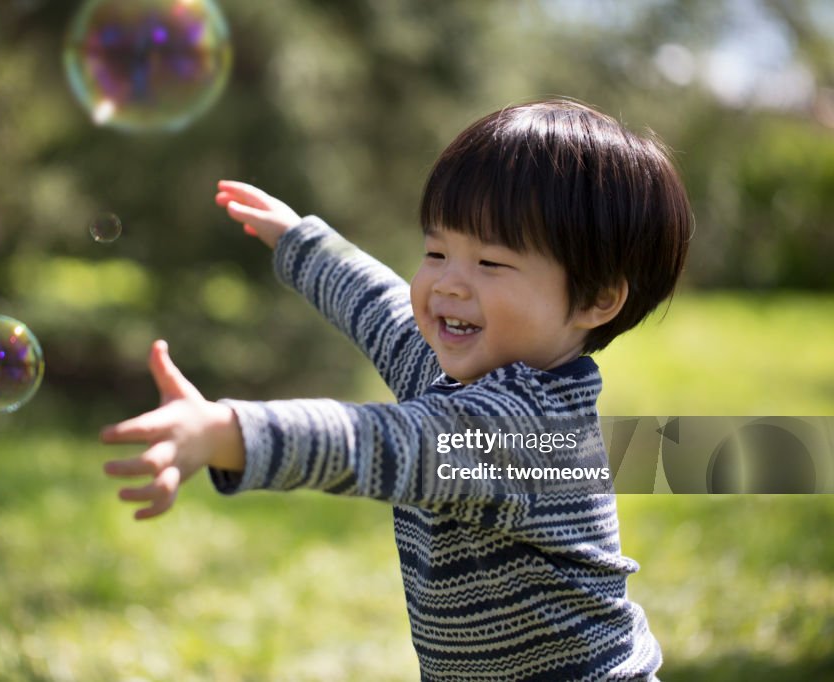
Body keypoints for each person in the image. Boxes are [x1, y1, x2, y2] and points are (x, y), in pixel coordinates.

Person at [100, 98, 692, 681]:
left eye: (490, 263)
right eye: (436, 251)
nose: (446, 284)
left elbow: (376, 443)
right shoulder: (452, 370)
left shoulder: (526, 433)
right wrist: (300, 242)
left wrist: (228, 432)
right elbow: (381, 310)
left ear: (595, 300)